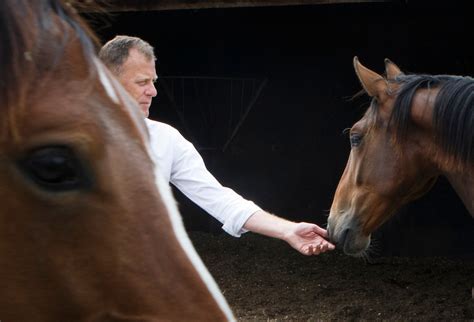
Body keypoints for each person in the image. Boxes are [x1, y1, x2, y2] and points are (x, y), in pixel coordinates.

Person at [99, 35, 335, 255]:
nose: (153, 91)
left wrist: (286, 230)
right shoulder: (66, 138)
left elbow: (220, 199)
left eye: (153, 81)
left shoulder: (165, 139)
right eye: (142, 82)